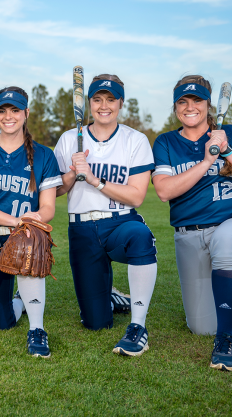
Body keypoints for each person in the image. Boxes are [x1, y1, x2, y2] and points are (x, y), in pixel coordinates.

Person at [152, 75, 232, 371]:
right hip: (190, 236)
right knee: (200, 327)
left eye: (197, 100)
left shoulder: (231, 133)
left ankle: (225, 340)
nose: (190, 107)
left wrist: (228, 151)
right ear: (175, 107)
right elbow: (164, 191)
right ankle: (229, 303)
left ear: (208, 105)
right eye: (183, 101)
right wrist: (207, 161)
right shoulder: (166, 142)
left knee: (225, 238)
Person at [54, 75, 158, 357]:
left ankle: (138, 326)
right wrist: (72, 173)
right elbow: (56, 191)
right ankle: (110, 297)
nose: (104, 106)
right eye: (98, 99)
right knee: (96, 323)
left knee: (141, 236)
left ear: (120, 103)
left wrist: (95, 180)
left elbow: (136, 196)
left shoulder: (135, 140)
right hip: (82, 229)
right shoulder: (69, 139)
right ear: (89, 103)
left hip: (120, 222)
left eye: (111, 100)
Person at [0, 87, 62, 358]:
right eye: (2, 110)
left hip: (24, 236)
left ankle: (37, 329)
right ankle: (20, 300)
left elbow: (48, 207)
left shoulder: (43, 155)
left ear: (26, 113)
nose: (8, 116)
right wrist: (16, 220)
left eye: (15, 110)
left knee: (29, 240)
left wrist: (28, 223)